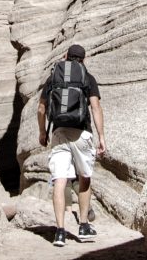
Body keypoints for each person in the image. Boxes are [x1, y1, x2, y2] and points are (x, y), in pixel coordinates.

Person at [37, 44, 106, 247]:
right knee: (84, 178)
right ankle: (83, 226)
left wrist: (42, 131)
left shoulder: (53, 78)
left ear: (66, 57)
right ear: (83, 60)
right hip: (82, 133)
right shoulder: (87, 77)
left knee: (59, 180)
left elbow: (41, 108)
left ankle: (60, 231)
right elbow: (95, 107)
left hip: (58, 133)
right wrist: (101, 136)